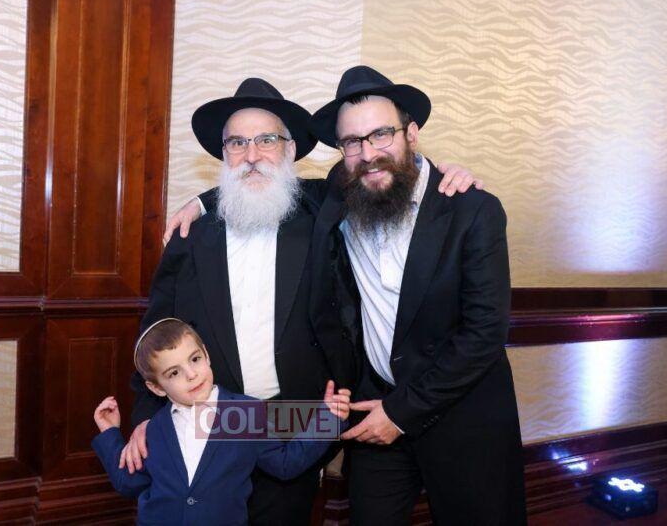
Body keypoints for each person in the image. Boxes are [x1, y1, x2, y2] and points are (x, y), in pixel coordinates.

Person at [130, 77, 480, 525]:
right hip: (209, 423)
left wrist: (445, 176)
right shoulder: (190, 235)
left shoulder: (322, 216)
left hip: (291, 421)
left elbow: (380, 170)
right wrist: (146, 416)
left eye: (266, 140)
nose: (251, 155)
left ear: (291, 150)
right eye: (237, 143)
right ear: (223, 154)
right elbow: (156, 330)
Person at [306, 65, 527, 525]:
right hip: (375, 409)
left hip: (463, 414)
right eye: (352, 142)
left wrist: (401, 412)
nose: (368, 154)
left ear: (411, 133)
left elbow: (485, 333)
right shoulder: (340, 195)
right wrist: (202, 204)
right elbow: (268, 186)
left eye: (381, 134)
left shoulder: (472, 210)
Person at [92, 318, 351, 525]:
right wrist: (109, 432)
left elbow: (285, 463)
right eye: (174, 373)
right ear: (157, 387)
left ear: (206, 354)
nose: (191, 375)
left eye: (195, 359)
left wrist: (328, 419)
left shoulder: (243, 414)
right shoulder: (154, 428)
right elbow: (129, 483)